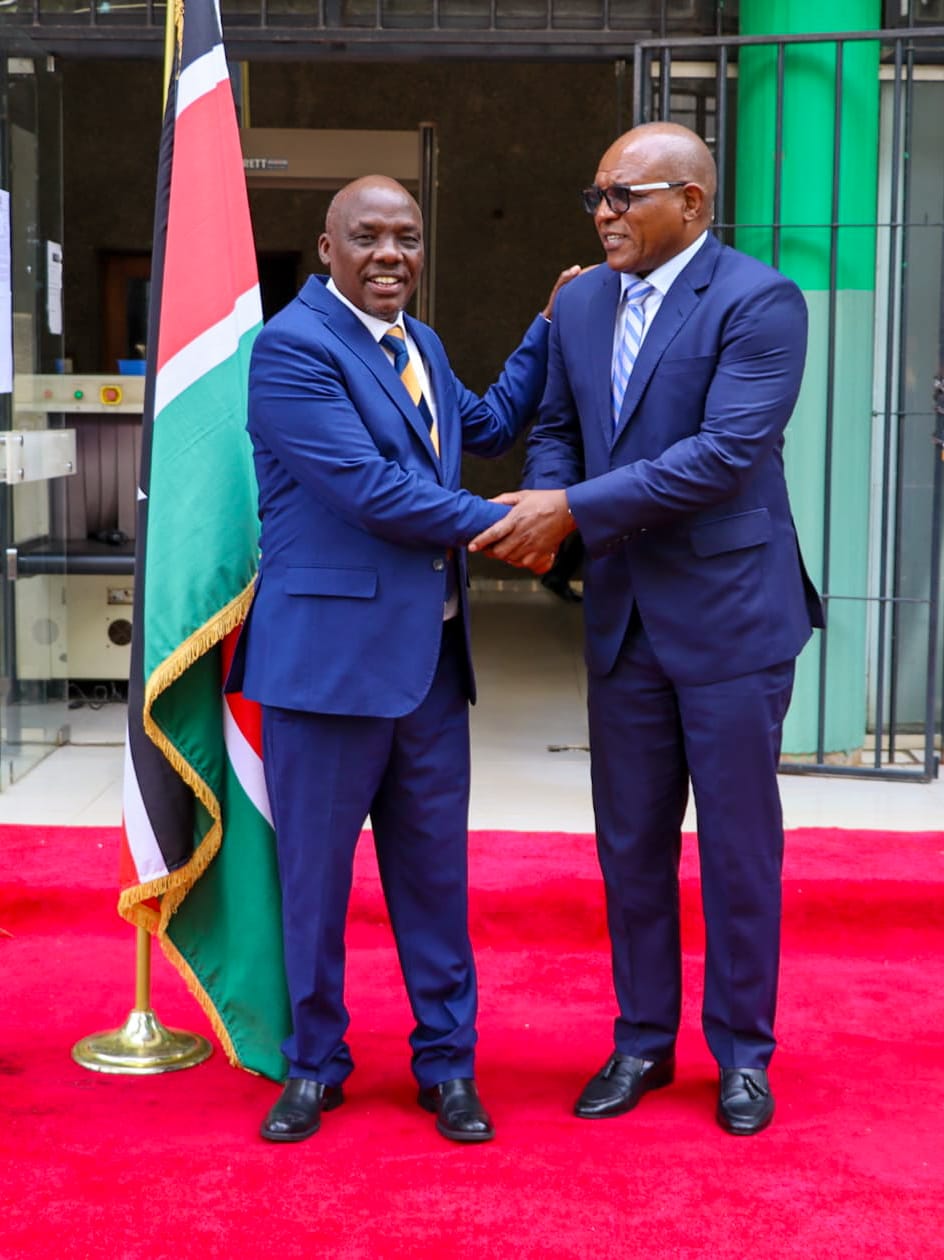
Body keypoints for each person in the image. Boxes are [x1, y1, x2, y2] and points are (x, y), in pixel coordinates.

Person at [470, 123, 824, 1136]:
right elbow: (555, 427)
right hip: (622, 617)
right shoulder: (581, 301)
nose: (602, 213)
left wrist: (570, 510)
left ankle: (743, 1055)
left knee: (738, 850)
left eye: (622, 195)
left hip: (730, 618)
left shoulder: (759, 301)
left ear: (691, 203)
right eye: (595, 195)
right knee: (629, 845)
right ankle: (640, 1041)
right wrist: (547, 497)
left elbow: (722, 455)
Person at [228, 174, 577, 1145]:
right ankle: (313, 1065)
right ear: (327, 247)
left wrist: (548, 329)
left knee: (435, 883)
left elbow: (488, 425)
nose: (391, 254)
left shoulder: (417, 345)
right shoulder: (292, 348)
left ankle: (448, 1067)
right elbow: (371, 490)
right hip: (326, 672)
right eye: (369, 236)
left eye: (408, 237)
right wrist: (512, 524)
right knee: (315, 887)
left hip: (427, 671)